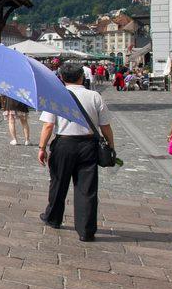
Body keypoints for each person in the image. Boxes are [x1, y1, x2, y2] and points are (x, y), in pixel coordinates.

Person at [37, 64, 114, 242]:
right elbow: (105, 126)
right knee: (87, 189)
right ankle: (86, 230)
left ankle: (54, 218)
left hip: (64, 143)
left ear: (62, 77)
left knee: (58, 182)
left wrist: (42, 147)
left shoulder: (56, 95)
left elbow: (48, 125)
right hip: (88, 145)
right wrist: (111, 146)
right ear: (82, 77)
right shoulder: (95, 96)